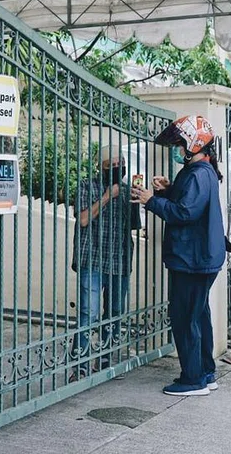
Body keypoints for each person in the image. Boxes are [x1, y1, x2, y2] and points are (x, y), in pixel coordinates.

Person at [131, 115, 225, 397]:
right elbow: (188, 202)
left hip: (192, 259)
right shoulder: (201, 172)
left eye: (181, 144)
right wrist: (168, 190)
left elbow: (185, 213)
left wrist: (152, 200)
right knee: (198, 317)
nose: (178, 149)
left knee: (185, 318)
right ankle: (205, 372)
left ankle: (193, 379)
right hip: (199, 257)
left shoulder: (199, 174)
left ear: (195, 144)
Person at [70, 146, 138, 379]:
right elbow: (83, 219)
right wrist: (108, 195)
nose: (118, 168)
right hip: (92, 257)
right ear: (102, 167)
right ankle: (80, 364)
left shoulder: (129, 190)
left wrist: (139, 198)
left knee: (115, 311)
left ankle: (106, 359)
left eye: (121, 164)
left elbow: (135, 225)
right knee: (89, 312)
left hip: (119, 258)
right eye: (112, 165)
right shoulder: (86, 186)